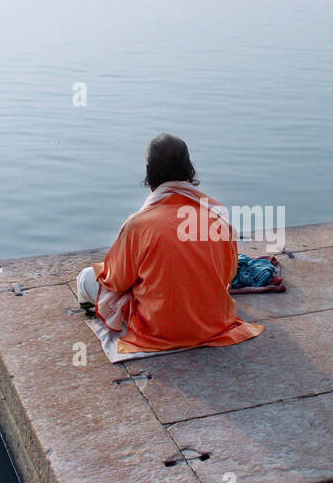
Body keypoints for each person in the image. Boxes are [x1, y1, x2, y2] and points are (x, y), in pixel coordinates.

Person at [76, 134, 265, 355]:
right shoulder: (216, 216)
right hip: (213, 324)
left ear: (149, 170)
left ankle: (96, 307)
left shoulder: (138, 224)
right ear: (189, 168)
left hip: (158, 329)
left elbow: (117, 280)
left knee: (87, 277)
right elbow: (226, 275)